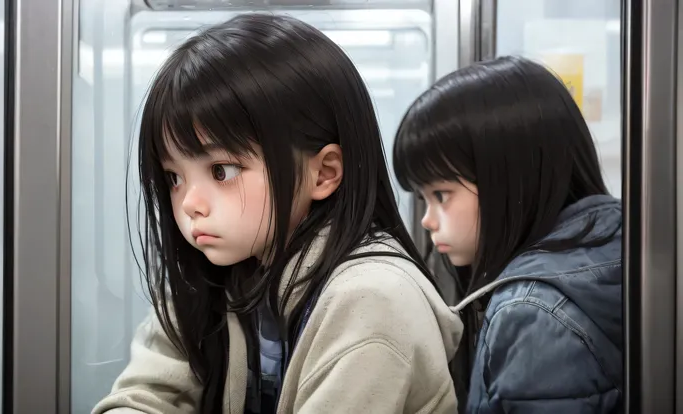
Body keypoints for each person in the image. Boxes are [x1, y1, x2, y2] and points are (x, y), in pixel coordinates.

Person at [92, 13, 463, 414]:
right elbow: (145, 397)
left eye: (221, 171)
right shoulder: (216, 275)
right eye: (173, 176)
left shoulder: (371, 298)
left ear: (323, 173)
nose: (188, 203)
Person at [392, 56, 622, 413]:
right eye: (423, 199)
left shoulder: (531, 315)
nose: (427, 220)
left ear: (511, 181)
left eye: (441, 195)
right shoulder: (619, 244)